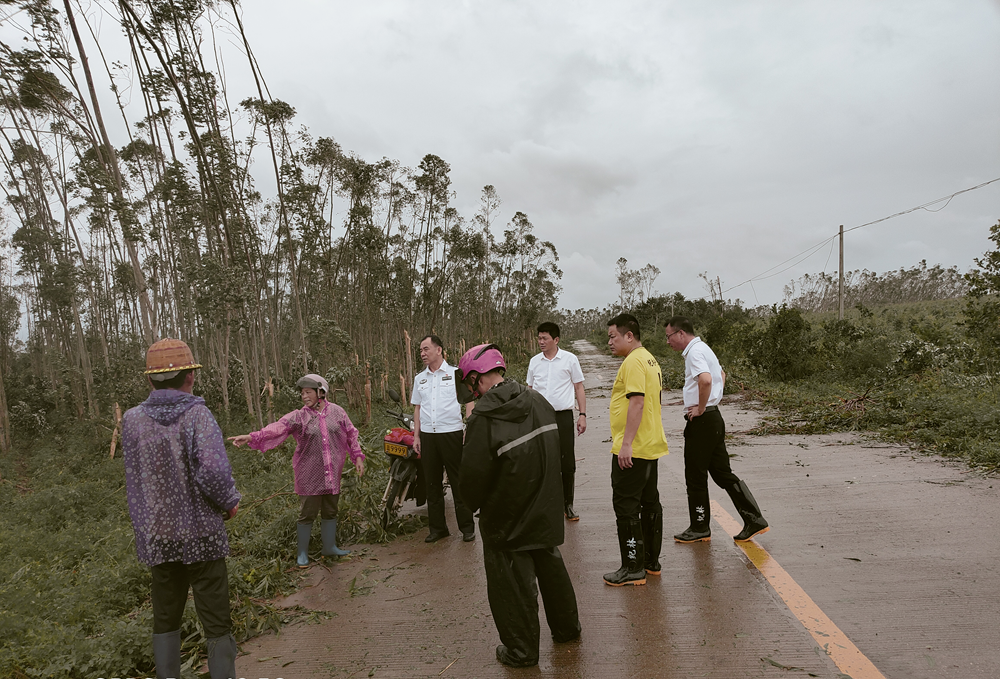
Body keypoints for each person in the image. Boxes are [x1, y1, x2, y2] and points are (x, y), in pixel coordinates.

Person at [457, 343, 582, 668]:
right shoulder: (537, 400)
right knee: (551, 567)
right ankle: (567, 630)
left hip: (507, 518)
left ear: (476, 379)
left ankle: (521, 651)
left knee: (511, 585)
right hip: (545, 505)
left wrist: (473, 505)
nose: (471, 390)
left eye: (470, 383)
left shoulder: (483, 419)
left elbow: (472, 478)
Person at [122, 338, 241, 679]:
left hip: (159, 534)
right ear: (190, 376)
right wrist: (229, 502)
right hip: (202, 534)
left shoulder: (132, 420)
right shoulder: (197, 415)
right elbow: (213, 470)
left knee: (165, 614)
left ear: (150, 379)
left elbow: (135, 476)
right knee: (216, 618)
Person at [229, 374, 364, 566]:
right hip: (309, 474)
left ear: (321, 392)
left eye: (308, 392)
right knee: (307, 513)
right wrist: (252, 437)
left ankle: (329, 547)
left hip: (332, 473)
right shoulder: (299, 416)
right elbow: (277, 428)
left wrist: (357, 456)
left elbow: (351, 433)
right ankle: (302, 553)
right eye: (302, 393)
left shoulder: (338, 412)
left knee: (331, 510)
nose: (304, 396)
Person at [664, 316, 769, 543]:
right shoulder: (704, 348)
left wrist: (701, 408)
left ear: (681, 333)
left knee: (695, 476)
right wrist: (712, 402)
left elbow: (705, 380)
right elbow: (721, 375)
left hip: (703, 422)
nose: (667, 341)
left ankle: (699, 526)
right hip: (714, 419)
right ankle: (754, 519)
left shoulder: (694, 352)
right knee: (722, 473)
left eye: (669, 336)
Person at [604, 313, 669, 587]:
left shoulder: (632, 362)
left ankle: (632, 567)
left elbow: (638, 402)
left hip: (635, 447)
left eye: (613, 336)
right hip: (650, 445)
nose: (609, 342)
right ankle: (650, 562)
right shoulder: (649, 359)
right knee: (649, 502)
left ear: (629, 336)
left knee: (626, 506)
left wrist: (626, 444)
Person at [411, 334, 476, 543]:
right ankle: (438, 529)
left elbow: (469, 401)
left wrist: (468, 426)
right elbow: (417, 408)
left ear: (439, 350)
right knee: (432, 483)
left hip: (451, 434)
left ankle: (467, 528)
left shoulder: (455, 374)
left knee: (458, 482)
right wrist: (416, 436)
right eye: (420, 350)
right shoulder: (419, 379)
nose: (422, 353)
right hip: (428, 436)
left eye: (426, 349)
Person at [526, 321, 587, 521]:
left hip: (563, 416)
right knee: (541, 460)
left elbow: (578, 387)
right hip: (540, 417)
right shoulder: (534, 362)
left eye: (545, 338)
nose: (541, 342)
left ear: (556, 339)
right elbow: (530, 390)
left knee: (566, 461)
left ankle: (568, 504)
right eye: (539, 338)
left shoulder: (570, 359)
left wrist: (582, 414)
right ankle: (545, 504)